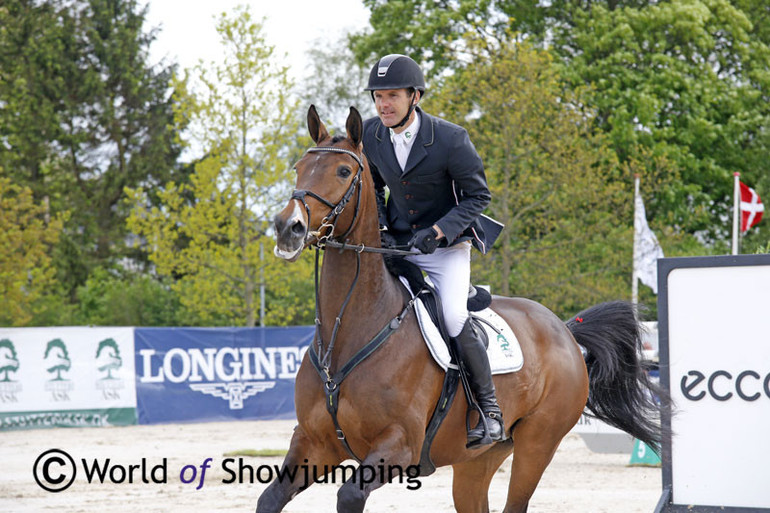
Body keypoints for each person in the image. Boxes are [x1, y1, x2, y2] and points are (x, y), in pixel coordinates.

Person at [361, 54, 503, 448]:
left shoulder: (450, 138)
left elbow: (478, 196)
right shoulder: (371, 134)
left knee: (454, 317)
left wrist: (440, 231)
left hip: (445, 250)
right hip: (398, 247)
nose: (383, 105)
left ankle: (489, 411)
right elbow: (373, 186)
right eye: (378, 96)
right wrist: (384, 229)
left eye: (392, 96)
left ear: (415, 96)